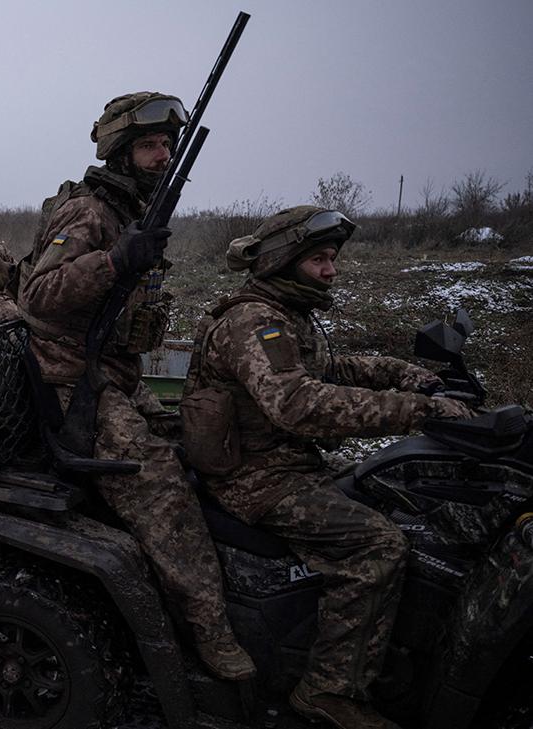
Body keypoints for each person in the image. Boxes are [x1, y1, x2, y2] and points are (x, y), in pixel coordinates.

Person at [181, 205, 473, 729]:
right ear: (285, 261)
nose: (331, 270)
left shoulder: (287, 315)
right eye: (319, 259)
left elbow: (331, 367)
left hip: (288, 463)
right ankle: (327, 690)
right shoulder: (256, 321)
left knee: (402, 499)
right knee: (378, 545)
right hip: (256, 478)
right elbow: (296, 402)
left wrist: (411, 376)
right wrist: (418, 411)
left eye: (332, 259)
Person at [16, 91, 255, 680]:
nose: (162, 154)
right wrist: (115, 261)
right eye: (149, 145)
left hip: (114, 373)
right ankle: (210, 634)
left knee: (202, 441)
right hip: (70, 378)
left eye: (167, 145)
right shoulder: (91, 213)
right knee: (161, 484)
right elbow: (37, 298)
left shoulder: (133, 211)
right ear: (120, 152)